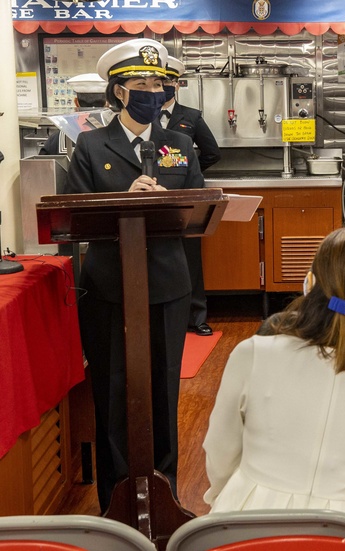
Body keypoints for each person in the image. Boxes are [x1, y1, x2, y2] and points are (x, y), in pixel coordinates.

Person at [203, 226, 345, 551]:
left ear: (311, 281)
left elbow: (219, 456)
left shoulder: (253, 353)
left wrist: (230, 500)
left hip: (246, 528)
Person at [65, 38, 204, 512]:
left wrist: (165, 199)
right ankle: (116, 498)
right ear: (119, 91)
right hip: (108, 287)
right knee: (113, 389)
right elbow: (71, 217)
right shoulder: (90, 144)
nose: (152, 91)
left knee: (164, 388)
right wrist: (124, 198)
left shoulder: (179, 145)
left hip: (167, 284)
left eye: (158, 84)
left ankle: (165, 492)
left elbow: (199, 204)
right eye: (140, 84)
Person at [160, 55, 222, 336]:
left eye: (169, 81)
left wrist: (187, 169)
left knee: (189, 258)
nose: (164, 86)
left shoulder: (191, 116)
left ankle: (196, 317)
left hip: (184, 197)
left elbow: (212, 152)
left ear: (177, 84)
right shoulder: (140, 117)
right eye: (159, 81)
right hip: (148, 197)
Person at [39, 73, 112, 156]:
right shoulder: (118, 134)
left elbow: (42, 164)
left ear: (76, 102)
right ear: (107, 103)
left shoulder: (57, 138)